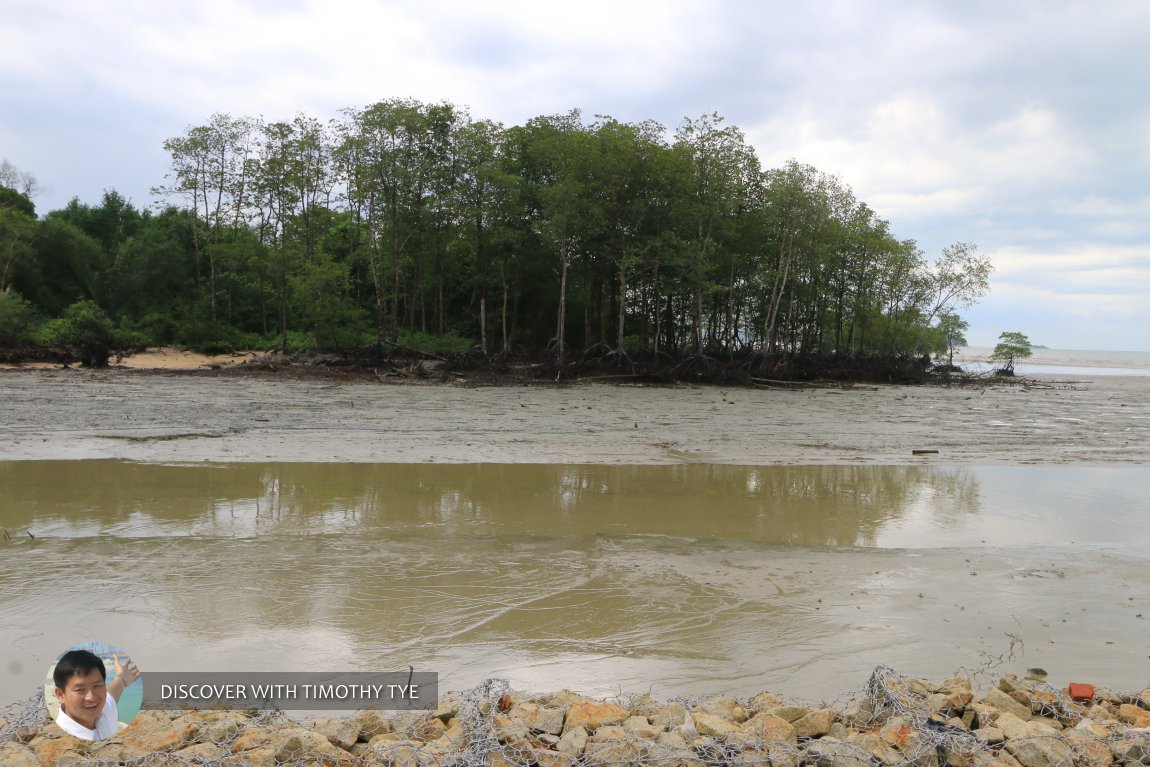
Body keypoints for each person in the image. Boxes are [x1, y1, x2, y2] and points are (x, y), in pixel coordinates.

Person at [52, 649, 140, 740]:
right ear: (60, 695)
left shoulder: (104, 709)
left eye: (97, 686)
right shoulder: (62, 737)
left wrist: (122, 678)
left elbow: (112, 693)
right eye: (80, 689)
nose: (91, 697)